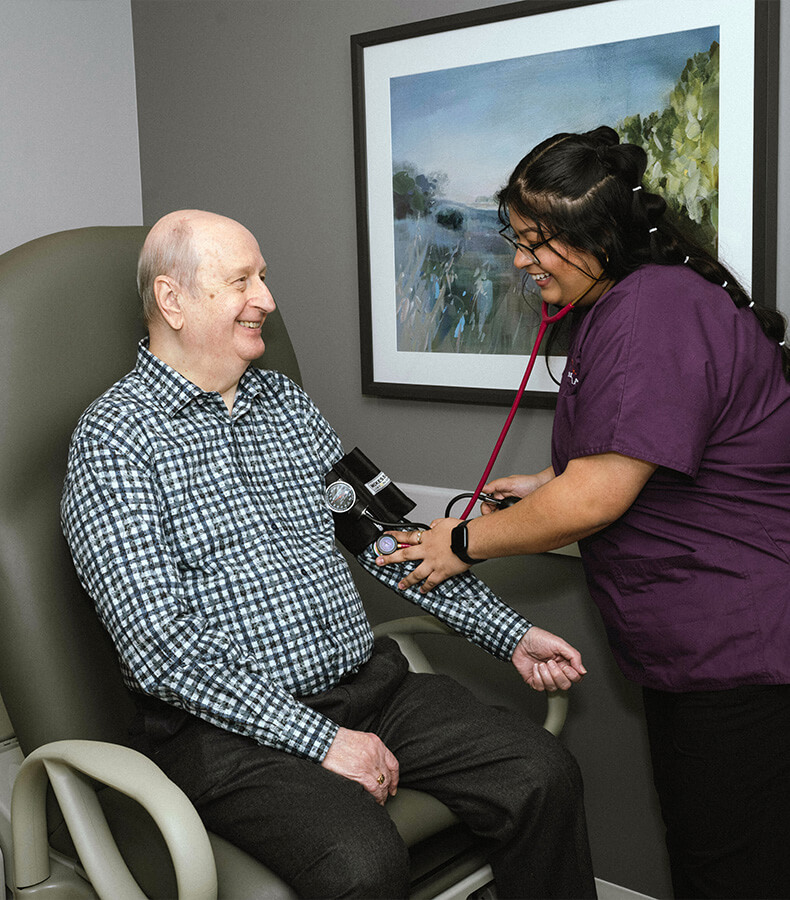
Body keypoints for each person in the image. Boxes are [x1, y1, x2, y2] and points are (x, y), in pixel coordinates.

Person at [60, 209, 596, 899]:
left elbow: (385, 540)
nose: (267, 299)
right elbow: (161, 648)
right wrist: (318, 740)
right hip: (226, 730)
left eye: (264, 277)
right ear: (173, 299)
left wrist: (511, 634)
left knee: (541, 773)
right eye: (242, 281)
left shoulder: (285, 404)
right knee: (359, 862)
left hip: (367, 689)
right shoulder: (114, 441)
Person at [380, 125, 790, 899]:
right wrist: (549, 483)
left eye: (538, 242)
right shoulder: (633, 306)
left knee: (731, 866)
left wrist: (461, 542)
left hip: (741, 641)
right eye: (517, 239)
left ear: (599, 236)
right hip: (708, 643)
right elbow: (646, 454)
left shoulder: (653, 309)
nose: (521, 260)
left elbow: (601, 494)